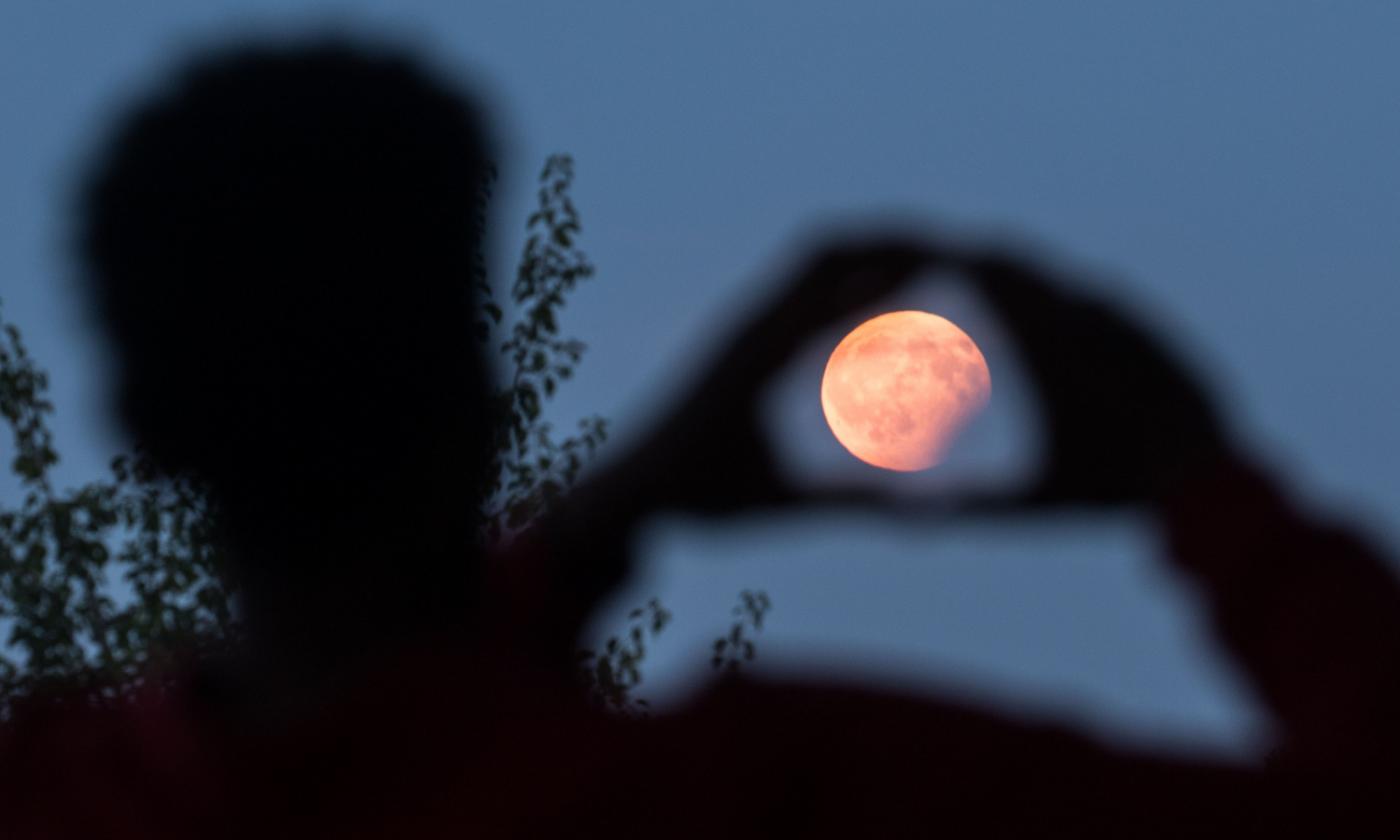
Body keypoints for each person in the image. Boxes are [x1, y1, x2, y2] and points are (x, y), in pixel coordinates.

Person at [2, 36, 1398, 837]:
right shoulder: (769, 796)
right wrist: (1206, 487)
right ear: (484, 400)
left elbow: (368, 749)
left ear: (146, 424)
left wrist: (593, 532)